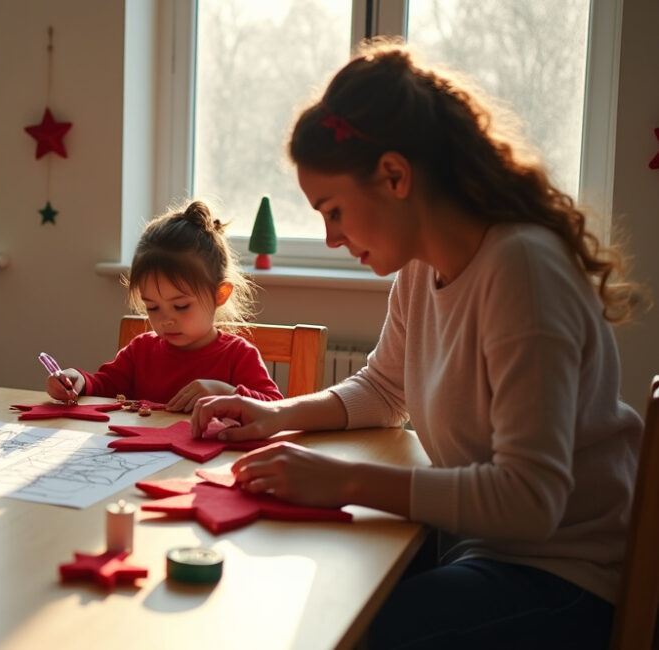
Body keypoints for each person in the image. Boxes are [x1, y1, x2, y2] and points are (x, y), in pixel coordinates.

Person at [189, 41, 645, 649]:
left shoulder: (522, 269)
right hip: (482, 551)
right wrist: (275, 414)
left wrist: (344, 482)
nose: (329, 238)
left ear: (396, 176)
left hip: (566, 579)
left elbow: (531, 500)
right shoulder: (420, 268)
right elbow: (384, 386)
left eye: (333, 210)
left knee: (342, 627)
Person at [46, 200, 282, 412]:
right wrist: (78, 380)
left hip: (210, 461)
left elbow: (273, 406)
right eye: (153, 307)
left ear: (220, 294)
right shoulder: (141, 351)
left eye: (180, 306)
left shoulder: (238, 356)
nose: (165, 320)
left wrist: (225, 392)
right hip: (144, 458)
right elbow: (105, 386)